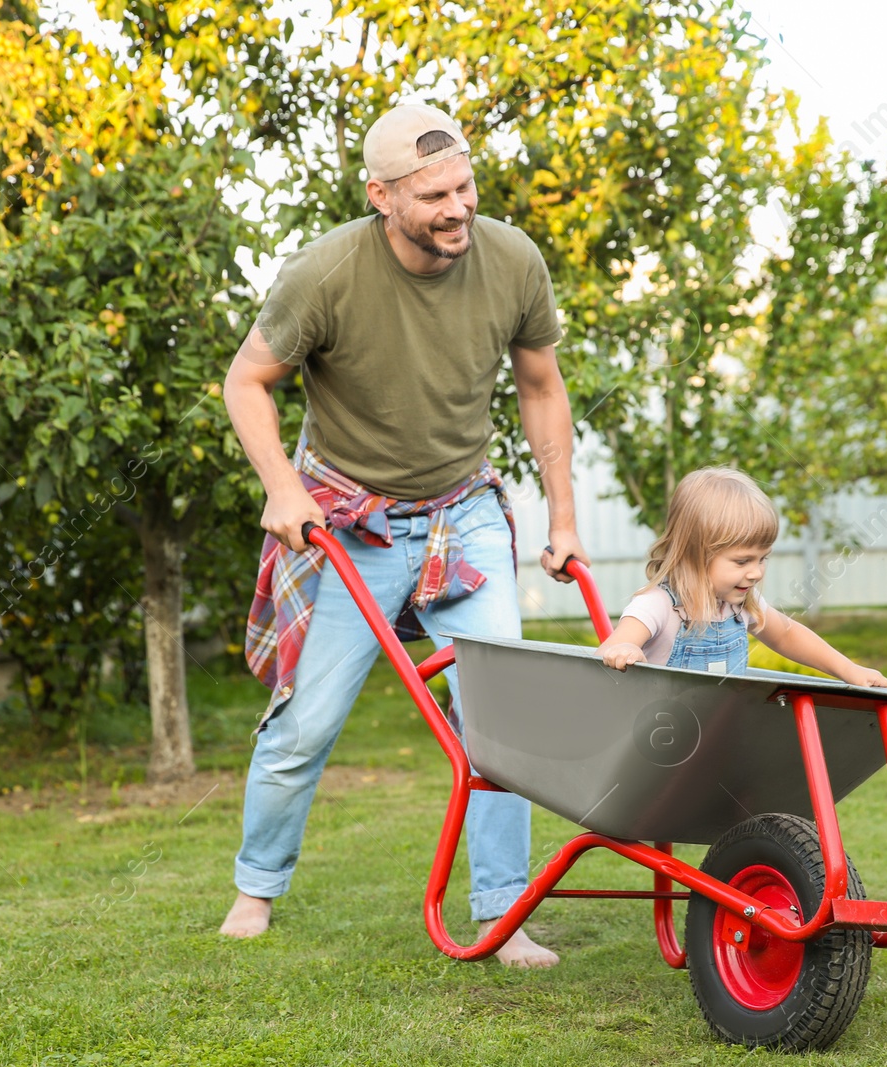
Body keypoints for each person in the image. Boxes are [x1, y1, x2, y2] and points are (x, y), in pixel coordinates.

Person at [219, 102, 589, 968]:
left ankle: (502, 911)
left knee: (504, 719)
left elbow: (541, 385)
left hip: (464, 516)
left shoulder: (511, 260)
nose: (458, 207)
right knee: (305, 726)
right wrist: (282, 486)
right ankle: (256, 886)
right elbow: (246, 381)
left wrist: (563, 515)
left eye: (464, 185)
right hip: (353, 523)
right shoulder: (326, 274)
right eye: (433, 196)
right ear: (382, 196)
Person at [598, 467, 887, 685]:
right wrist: (624, 649)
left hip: (719, 732)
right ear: (694, 553)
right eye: (742, 561)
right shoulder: (658, 605)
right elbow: (611, 649)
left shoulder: (739, 605)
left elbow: (787, 635)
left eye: (763, 558)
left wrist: (848, 669)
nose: (756, 572)